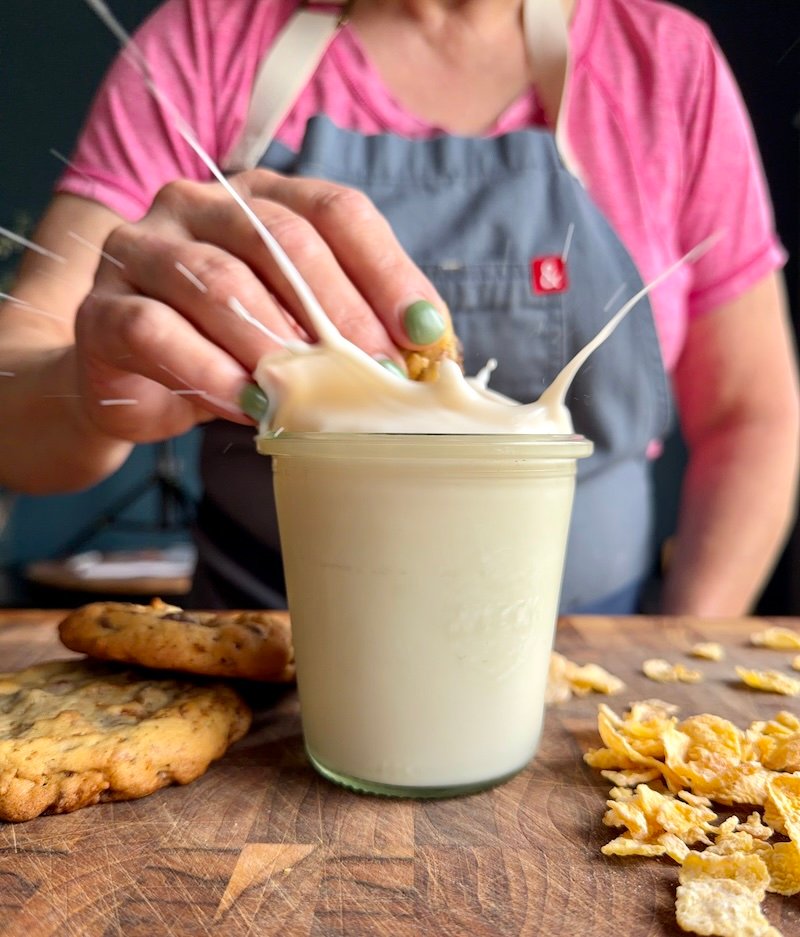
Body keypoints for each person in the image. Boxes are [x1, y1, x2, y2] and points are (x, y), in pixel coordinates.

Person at [0, 0, 797, 615]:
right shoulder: (206, 45)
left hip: (596, 676)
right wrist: (93, 384)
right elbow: (13, 401)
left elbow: (753, 415)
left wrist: (683, 643)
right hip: (267, 679)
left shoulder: (666, 64)